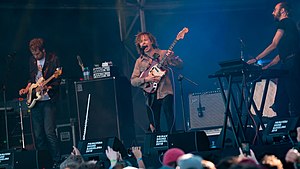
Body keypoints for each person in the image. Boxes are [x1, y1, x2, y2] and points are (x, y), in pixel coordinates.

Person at [247, 2, 300, 118]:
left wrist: (256, 59)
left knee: (294, 100)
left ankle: (296, 130)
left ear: (283, 10)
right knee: (281, 103)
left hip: (291, 66)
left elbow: (274, 44)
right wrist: (267, 67)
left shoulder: (285, 22)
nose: (273, 12)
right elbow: (280, 55)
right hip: (287, 65)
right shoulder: (290, 27)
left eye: (275, 9)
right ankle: (287, 131)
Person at [19, 38, 61, 165]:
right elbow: (31, 79)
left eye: (37, 54)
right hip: (36, 101)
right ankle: (44, 162)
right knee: (38, 135)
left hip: (48, 100)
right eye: (33, 54)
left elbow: (57, 80)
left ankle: (57, 161)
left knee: (49, 132)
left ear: (43, 50)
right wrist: (26, 89)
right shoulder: (32, 61)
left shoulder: (53, 59)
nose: (35, 56)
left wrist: (47, 87)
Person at [131, 32, 183, 133]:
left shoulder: (163, 53)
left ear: (151, 41)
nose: (143, 43)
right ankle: (158, 145)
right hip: (150, 95)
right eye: (141, 42)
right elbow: (133, 81)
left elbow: (180, 66)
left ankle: (173, 141)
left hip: (165, 90)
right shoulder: (139, 61)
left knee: (169, 117)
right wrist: (147, 79)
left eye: (145, 40)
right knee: (155, 123)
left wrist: (173, 57)